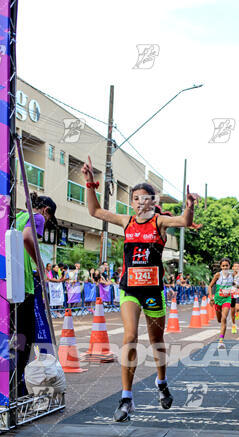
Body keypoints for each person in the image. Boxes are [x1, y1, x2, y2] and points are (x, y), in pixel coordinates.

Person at [82, 155, 198, 422]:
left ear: (153, 202)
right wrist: (89, 182)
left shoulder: (159, 222)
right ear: (131, 202)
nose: (140, 203)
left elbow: (184, 221)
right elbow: (95, 212)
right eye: (136, 199)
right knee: (130, 336)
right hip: (130, 288)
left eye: (146, 198)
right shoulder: (126, 221)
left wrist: (189, 207)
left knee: (156, 341)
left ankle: (161, 382)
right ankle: (126, 397)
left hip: (154, 290)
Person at [15, 192, 57, 397]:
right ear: (46, 211)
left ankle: (12, 383)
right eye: (49, 219)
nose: (46, 223)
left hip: (9, 283)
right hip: (24, 285)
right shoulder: (37, 217)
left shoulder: (18, 217)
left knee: (15, 337)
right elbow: (27, 238)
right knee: (26, 336)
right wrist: (40, 264)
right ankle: (18, 387)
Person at [208, 258, 238, 349]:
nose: (225, 267)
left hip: (227, 299)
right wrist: (211, 298)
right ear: (221, 267)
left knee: (224, 319)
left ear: (229, 266)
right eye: (223, 266)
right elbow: (210, 286)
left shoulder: (232, 275)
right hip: (217, 299)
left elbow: (233, 284)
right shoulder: (218, 275)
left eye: (227, 265)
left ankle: (221, 341)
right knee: (219, 320)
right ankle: (221, 336)